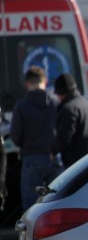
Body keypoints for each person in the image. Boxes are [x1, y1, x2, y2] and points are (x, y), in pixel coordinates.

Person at [10, 66, 58, 211]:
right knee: (55, 202)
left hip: (31, 158)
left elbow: (16, 137)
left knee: (31, 204)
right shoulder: (55, 102)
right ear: (45, 81)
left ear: (27, 84)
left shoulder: (21, 106)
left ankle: (32, 233)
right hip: (54, 157)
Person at [52, 73, 88, 170]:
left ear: (61, 94)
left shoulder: (69, 108)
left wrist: (53, 151)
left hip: (78, 164)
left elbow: (64, 137)